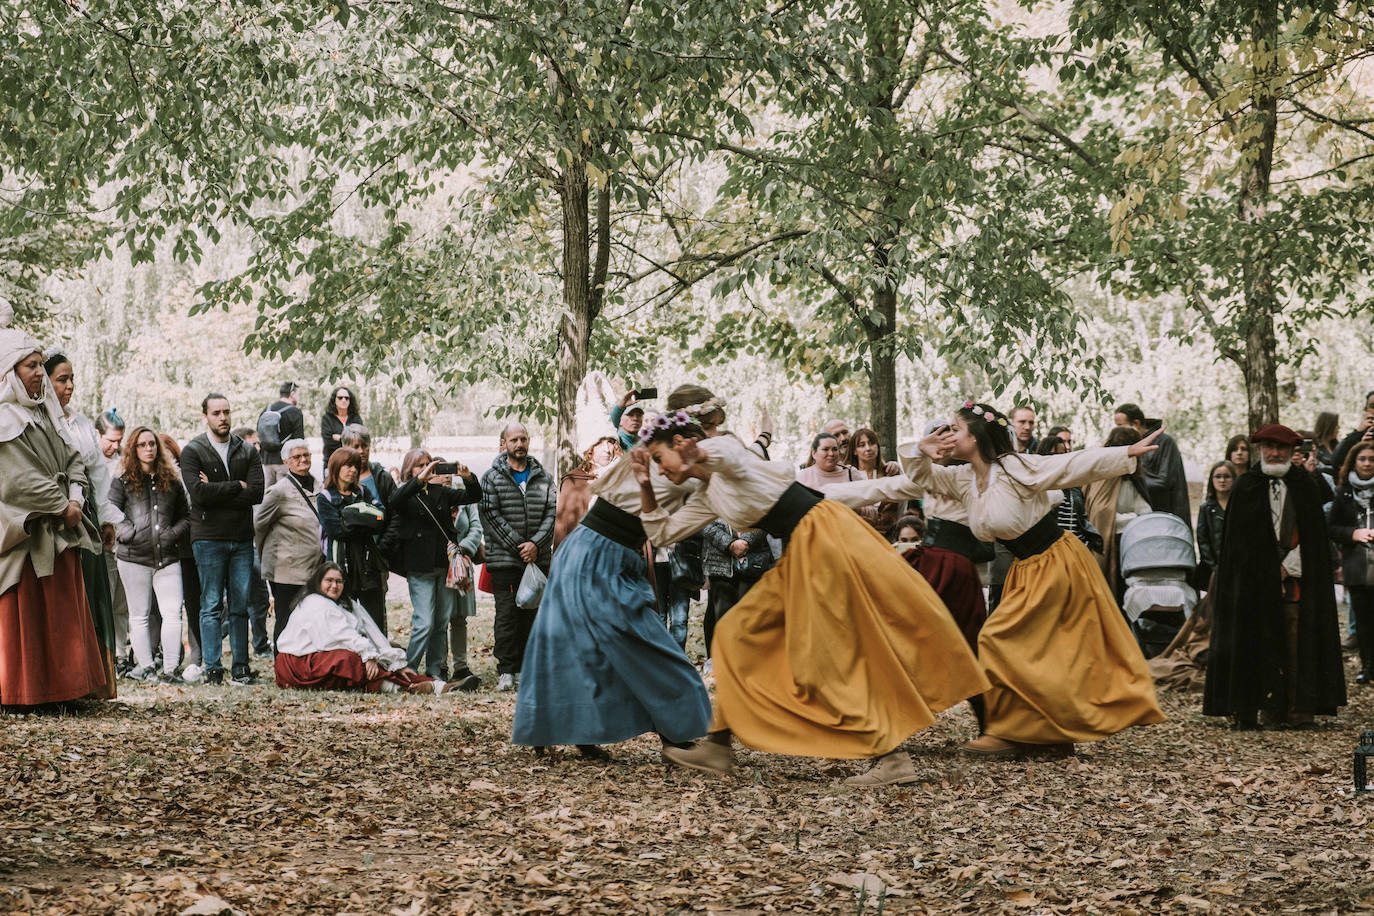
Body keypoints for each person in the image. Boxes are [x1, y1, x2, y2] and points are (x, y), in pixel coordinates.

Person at [634, 410, 990, 786]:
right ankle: (718, 746)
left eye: (659, 459)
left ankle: (892, 757)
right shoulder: (707, 497)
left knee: (831, 650)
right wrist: (644, 484)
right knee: (738, 631)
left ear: (680, 444)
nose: (659, 469)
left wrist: (699, 455)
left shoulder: (723, 453)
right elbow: (663, 534)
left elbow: (729, 454)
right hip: (800, 551)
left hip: (823, 534)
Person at [896, 403, 1165, 756]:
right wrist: (920, 448)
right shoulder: (962, 479)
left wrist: (1124, 452)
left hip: (1056, 562)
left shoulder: (1015, 467)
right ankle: (1047, 734)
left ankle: (1013, 733)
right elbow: (921, 477)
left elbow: (1068, 465)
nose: (948, 435)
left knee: (996, 640)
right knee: (1037, 654)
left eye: (955, 429)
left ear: (975, 438)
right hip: (1026, 569)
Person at [0, 315, 112, 707]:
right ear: (9, 371)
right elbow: (17, 479)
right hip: (27, 532)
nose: (39, 374)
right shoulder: (4, 420)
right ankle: (25, 693)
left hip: (63, 526)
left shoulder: (45, 417)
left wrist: (77, 499)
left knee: (62, 613)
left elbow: (73, 458)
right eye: (30, 366)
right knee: (28, 614)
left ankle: (66, 689)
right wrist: (60, 504)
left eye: (38, 365)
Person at [1204, 424, 1346, 729]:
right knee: (1252, 640)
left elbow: (1315, 541)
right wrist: (1268, 568)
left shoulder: (1306, 485)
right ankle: (1248, 709)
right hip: (1253, 585)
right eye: (1269, 446)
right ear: (1260, 449)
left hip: (1296, 582)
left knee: (1296, 641)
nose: (1275, 452)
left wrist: (1289, 565)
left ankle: (1297, 708)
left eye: (1281, 448)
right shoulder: (1246, 487)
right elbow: (1238, 544)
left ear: (1292, 451)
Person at [43, 353, 121, 692]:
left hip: (85, 515)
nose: (70, 385)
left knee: (94, 594)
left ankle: (96, 682)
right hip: (53, 518)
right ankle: (65, 681)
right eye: (62, 379)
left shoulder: (83, 424)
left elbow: (99, 475)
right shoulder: (37, 421)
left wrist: (104, 517)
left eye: (72, 378)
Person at [181, 393, 266, 686]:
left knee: (241, 604)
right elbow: (198, 494)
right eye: (216, 413)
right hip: (208, 538)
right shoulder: (193, 451)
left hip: (242, 538)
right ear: (205, 416)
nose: (223, 418)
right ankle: (213, 668)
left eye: (226, 412)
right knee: (212, 604)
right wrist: (235, 487)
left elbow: (256, 493)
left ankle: (241, 667)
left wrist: (218, 490)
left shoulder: (246, 450)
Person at [274, 563, 454, 694]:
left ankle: (434, 685)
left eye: (339, 581)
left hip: (321, 658)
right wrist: (368, 655)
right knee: (349, 659)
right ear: (318, 582)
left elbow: (371, 631)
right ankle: (400, 688)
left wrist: (394, 662)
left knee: (388, 649)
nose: (334, 586)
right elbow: (339, 637)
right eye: (329, 580)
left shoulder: (346, 603)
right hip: (297, 665)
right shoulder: (315, 602)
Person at [387, 449, 482, 684]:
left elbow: (473, 496)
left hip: (443, 564)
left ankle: (434, 671)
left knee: (441, 620)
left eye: (429, 464)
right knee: (424, 621)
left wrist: (468, 477)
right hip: (419, 567)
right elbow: (393, 502)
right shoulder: (407, 493)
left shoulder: (442, 492)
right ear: (410, 470)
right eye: (420, 465)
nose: (426, 468)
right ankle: (408, 670)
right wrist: (418, 481)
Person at [479, 422, 556, 691]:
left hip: (537, 560)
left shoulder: (543, 477)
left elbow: (552, 513)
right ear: (504, 443)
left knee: (531, 616)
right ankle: (507, 670)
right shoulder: (492, 477)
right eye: (514, 440)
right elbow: (490, 514)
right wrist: (519, 546)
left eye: (523, 439)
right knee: (507, 615)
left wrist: (535, 544)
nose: (519, 444)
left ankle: (526, 668)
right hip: (505, 561)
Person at [108, 427, 189, 683]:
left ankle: (170, 669)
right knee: (139, 614)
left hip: (167, 557)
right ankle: (146, 667)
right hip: (133, 557)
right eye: (142, 444)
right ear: (134, 448)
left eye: (152, 444)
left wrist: (172, 533)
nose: (148, 448)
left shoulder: (172, 480)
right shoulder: (122, 481)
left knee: (173, 613)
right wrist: (127, 532)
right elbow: (109, 511)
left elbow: (186, 516)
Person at [254, 438, 322, 646]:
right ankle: (283, 667)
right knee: (286, 621)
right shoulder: (279, 491)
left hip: (315, 567)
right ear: (286, 462)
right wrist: (273, 550)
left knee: (311, 621)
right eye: (297, 457)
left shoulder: (319, 485)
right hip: (287, 570)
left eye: (306, 455)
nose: (303, 460)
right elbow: (259, 524)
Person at [317, 447, 389, 634]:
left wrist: (349, 517)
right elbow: (336, 531)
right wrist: (363, 516)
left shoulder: (363, 492)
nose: (353, 470)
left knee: (374, 623)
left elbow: (380, 519)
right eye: (348, 465)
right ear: (336, 467)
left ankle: (376, 661)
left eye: (356, 466)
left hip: (368, 565)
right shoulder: (324, 498)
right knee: (343, 622)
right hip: (342, 566)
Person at [1083, 426, 1154, 597]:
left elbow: (1144, 509)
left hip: (1130, 542)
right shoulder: (1103, 475)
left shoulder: (1131, 477)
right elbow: (1100, 513)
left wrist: (1140, 518)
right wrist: (1134, 518)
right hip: (1110, 541)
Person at [1328, 441, 1374, 684]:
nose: (1367, 463)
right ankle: (1368, 667)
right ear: (1354, 462)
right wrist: (1353, 534)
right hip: (1357, 565)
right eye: (1362, 459)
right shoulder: (1344, 492)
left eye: (1371, 459)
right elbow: (1332, 527)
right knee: (1364, 620)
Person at [700, 519, 773, 668]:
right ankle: (722, 666)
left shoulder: (756, 495)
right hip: (719, 562)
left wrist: (745, 543)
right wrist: (729, 544)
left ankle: (748, 666)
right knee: (721, 619)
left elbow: (764, 512)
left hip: (753, 563)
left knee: (749, 620)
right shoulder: (708, 496)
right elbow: (702, 522)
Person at [1114, 403, 1191, 528]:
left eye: (1120, 426)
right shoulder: (1128, 446)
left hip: (1164, 516)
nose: (1117, 430)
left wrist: (1133, 482)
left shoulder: (1164, 442)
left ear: (1136, 423)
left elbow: (1165, 480)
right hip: (1137, 520)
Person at [553, 435, 621, 549]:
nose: (607, 450)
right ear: (589, 447)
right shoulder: (573, 482)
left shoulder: (622, 478)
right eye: (599, 442)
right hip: (582, 554)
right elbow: (563, 530)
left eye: (610, 442)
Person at [850, 427, 903, 537]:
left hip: (889, 535)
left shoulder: (890, 473)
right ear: (854, 451)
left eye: (871, 443)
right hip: (858, 534)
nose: (868, 448)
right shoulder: (849, 475)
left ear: (877, 447)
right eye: (861, 445)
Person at [1195, 460, 1235, 587]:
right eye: (1218, 476)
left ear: (1234, 479)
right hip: (1212, 568)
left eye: (1226, 476)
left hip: (1236, 568)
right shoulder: (1206, 508)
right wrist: (1214, 566)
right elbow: (1202, 540)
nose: (1222, 480)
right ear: (1212, 479)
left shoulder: (1240, 506)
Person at [258, 382, 306, 489]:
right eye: (298, 395)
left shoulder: (266, 410)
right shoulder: (295, 411)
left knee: (270, 495)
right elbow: (299, 441)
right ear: (292, 394)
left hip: (267, 461)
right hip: (285, 462)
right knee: (285, 495)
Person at [320, 386, 361, 464]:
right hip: (332, 462)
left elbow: (360, 438)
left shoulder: (356, 418)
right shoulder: (327, 418)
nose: (343, 400)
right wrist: (350, 440)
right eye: (340, 397)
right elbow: (328, 442)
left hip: (353, 461)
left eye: (346, 398)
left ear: (350, 400)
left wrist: (340, 438)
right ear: (334, 400)